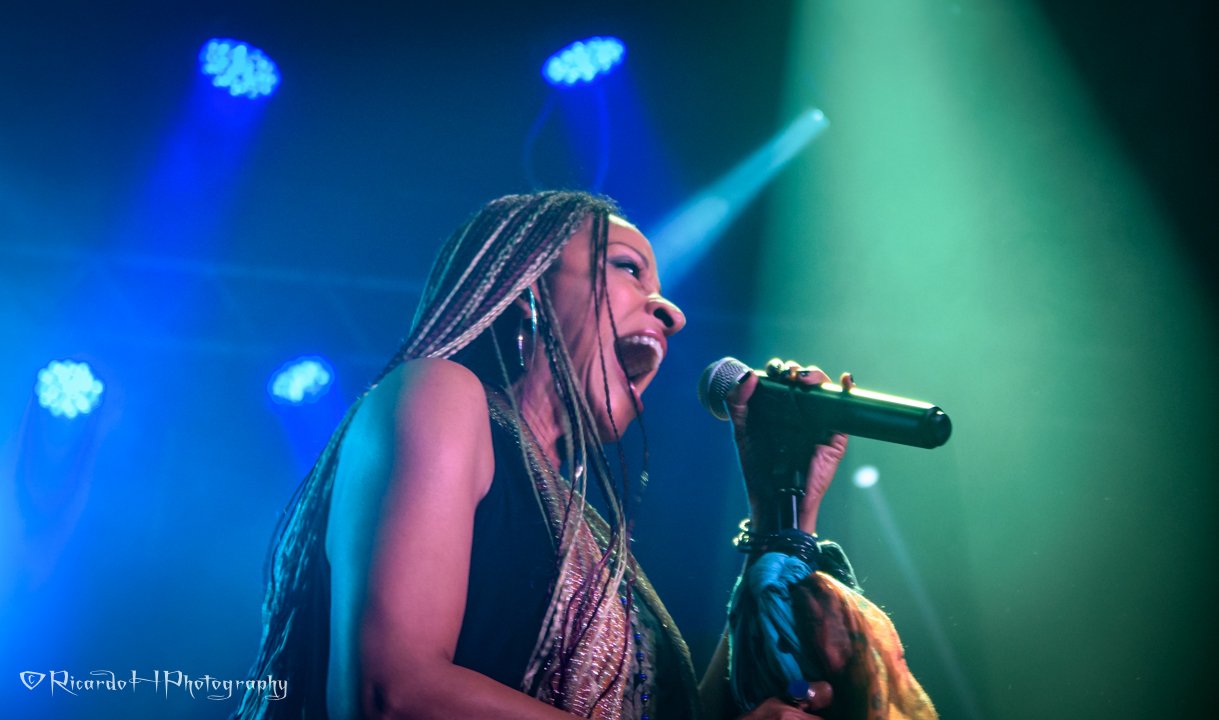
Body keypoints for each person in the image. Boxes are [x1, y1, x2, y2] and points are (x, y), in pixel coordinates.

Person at [234, 190, 865, 719]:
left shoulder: (584, 523)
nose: (671, 313)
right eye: (628, 268)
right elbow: (393, 693)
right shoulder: (440, 392)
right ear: (527, 287)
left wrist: (778, 512)